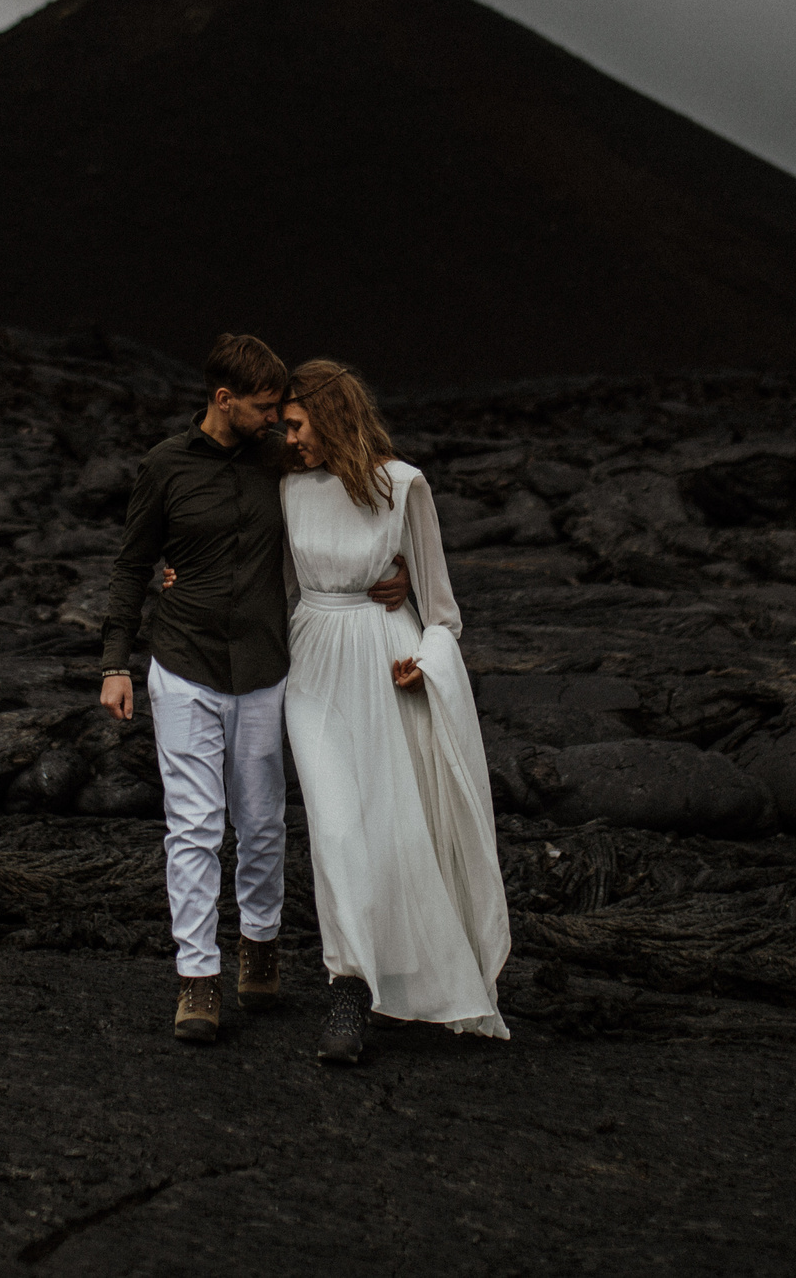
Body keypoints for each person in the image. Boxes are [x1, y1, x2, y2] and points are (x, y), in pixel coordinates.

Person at [98, 333, 409, 1044]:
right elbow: (132, 564)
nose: (275, 419)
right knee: (196, 824)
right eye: (264, 407)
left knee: (264, 821)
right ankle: (198, 980)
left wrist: (404, 572)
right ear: (222, 399)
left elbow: (374, 488)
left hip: (269, 668)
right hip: (183, 664)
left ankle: (259, 952)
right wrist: (116, 661)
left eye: (281, 410)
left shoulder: (285, 463)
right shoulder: (165, 467)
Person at [275, 359, 510, 1063]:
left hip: (387, 666)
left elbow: (443, 612)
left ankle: (402, 977)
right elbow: (269, 578)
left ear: (332, 414)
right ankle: (348, 987)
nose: (288, 439)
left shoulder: (403, 487)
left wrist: (426, 664)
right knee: (337, 829)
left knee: (396, 831)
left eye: (296, 424)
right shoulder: (287, 488)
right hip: (312, 664)